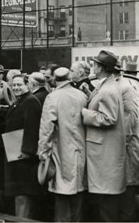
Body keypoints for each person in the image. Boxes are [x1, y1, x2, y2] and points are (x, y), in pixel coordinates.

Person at [81, 50, 126, 222]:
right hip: (105, 153)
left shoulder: (108, 90)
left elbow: (109, 118)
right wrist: (89, 96)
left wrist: (85, 114)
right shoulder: (106, 85)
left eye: (95, 64)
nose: (93, 66)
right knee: (106, 202)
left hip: (105, 154)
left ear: (101, 67)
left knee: (107, 205)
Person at [38, 67, 87, 222]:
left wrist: (42, 152)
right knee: (78, 191)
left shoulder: (53, 97)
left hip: (61, 149)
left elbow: (46, 128)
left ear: (55, 79)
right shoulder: (82, 96)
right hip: (80, 149)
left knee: (62, 193)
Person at [0, 75, 42, 219]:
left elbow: (32, 127)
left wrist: (27, 152)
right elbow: (15, 116)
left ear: (28, 85)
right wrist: (0, 110)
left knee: (23, 194)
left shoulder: (31, 101)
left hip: (23, 156)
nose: (15, 88)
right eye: (13, 85)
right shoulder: (22, 100)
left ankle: (22, 220)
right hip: (17, 152)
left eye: (19, 85)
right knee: (19, 193)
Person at [114, 61, 139, 221]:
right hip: (123, 147)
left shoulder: (126, 88)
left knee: (127, 190)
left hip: (126, 147)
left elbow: (130, 120)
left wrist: (120, 142)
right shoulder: (123, 85)